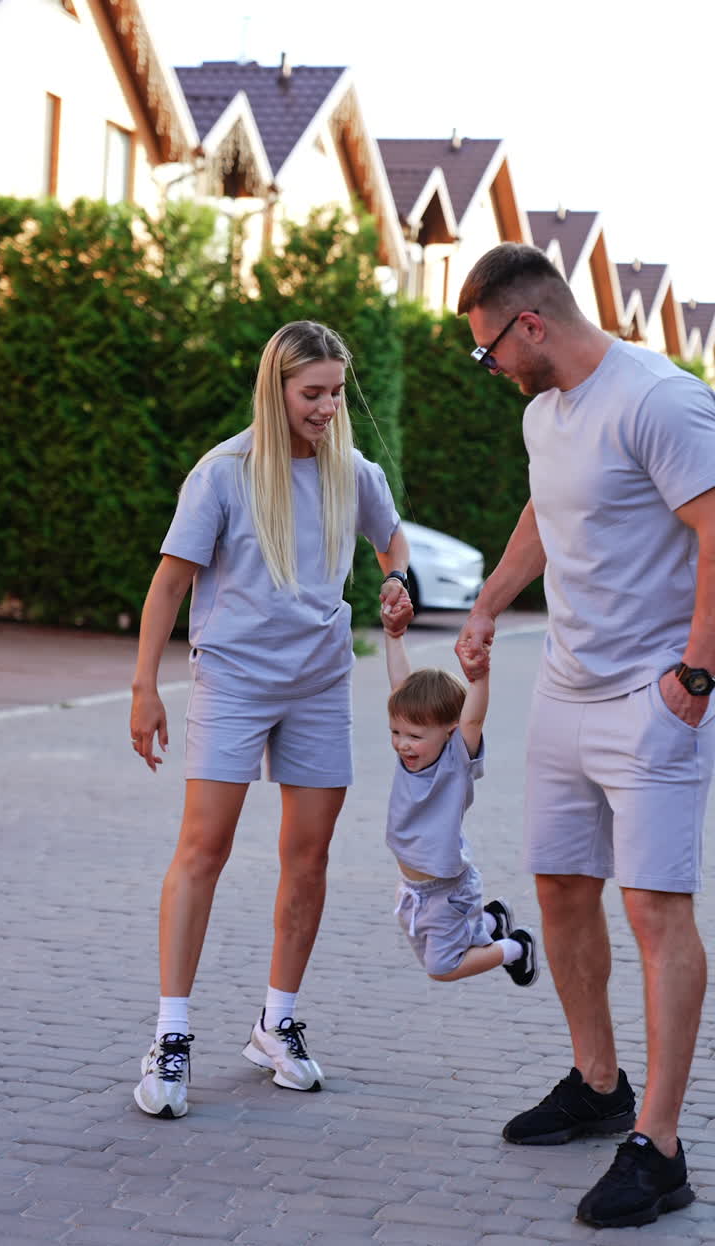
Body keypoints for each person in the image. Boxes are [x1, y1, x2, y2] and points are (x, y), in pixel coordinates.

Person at [455, 242, 715, 1229]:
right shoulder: (546, 412)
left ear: (530, 324)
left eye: (488, 352)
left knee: (656, 912)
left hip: (656, 695)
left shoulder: (660, 400)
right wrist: (488, 601)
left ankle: (661, 1143)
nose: (489, 371)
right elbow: (548, 511)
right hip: (564, 688)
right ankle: (599, 1082)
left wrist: (696, 673)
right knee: (562, 887)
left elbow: (714, 530)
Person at [130, 319, 413, 1119]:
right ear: (277, 388)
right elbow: (168, 586)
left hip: (321, 686)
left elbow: (393, 543)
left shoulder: (352, 472)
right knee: (203, 850)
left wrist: (396, 583)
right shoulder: (223, 473)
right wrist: (144, 688)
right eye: (311, 393)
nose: (327, 407)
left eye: (334, 392)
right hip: (233, 683)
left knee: (309, 856)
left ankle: (276, 1023)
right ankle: (172, 1034)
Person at [384, 622, 538, 988]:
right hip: (413, 889)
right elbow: (400, 688)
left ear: (450, 732)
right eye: (396, 732)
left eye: (415, 737)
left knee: (442, 967)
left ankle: (515, 947)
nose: (403, 744)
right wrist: (393, 637)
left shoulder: (454, 763)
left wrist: (479, 679)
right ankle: (490, 922)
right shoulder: (412, 758)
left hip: (446, 892)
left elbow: (474, 717)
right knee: (439, 950)